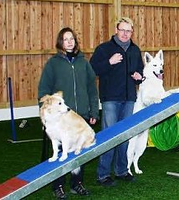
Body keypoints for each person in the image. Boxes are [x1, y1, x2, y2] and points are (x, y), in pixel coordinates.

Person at [38, 27, 99, 199]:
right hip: (60, 117)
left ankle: (77, 183)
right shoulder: (53, 64)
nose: (70, 41)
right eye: (66, 39)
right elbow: (43, 90)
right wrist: (44, 116)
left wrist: (94, 111)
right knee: (59, 150)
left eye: (71, 38)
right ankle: (58, 185)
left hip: (80, 116)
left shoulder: (83, 62)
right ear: (61, 42)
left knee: (78, 151)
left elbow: (92, 89)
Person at [90, 17, 143, 186]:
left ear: (132, 32)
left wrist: (139, 78)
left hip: (129, 98)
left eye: (128, 31)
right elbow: (92, 69)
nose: (125, 33)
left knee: (125, 136)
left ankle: (122, 170)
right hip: (110, 98)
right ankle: (103, 174)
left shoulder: (135, 50)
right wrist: (109, 62)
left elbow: (140, 72)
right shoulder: (104, 49)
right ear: (116, 30)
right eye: (122, 30)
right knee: (109, 135)